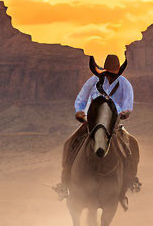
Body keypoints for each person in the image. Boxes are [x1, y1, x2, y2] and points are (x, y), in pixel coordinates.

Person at [54, 54, 141, 207]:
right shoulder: (93, 81)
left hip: (114, 123)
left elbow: (128, 104)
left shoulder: (125, 84)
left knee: (131, 145)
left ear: (119, 71)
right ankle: (65, 183)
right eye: (108, 72)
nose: (110, 76)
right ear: (105, 70)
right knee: (69, 143)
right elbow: (81, 99)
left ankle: (130, 180)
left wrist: (126, 112)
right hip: (91, 122)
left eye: (113, 73)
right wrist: (80, 111)